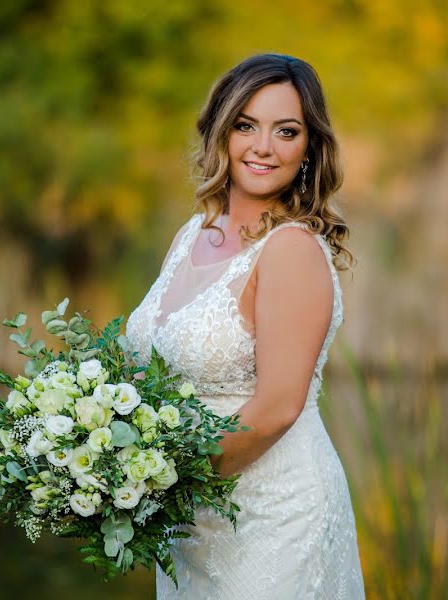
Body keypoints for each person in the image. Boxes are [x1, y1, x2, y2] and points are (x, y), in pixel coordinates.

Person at [124, 53, 366, 599]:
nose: (263, 147)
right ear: (221, 132)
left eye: (286, 131)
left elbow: (279, 406)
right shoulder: (193, 234)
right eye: (246, 125)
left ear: (309, 149)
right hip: (189, 528)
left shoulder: (291, 251)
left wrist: (158, 479)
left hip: (273, 520)